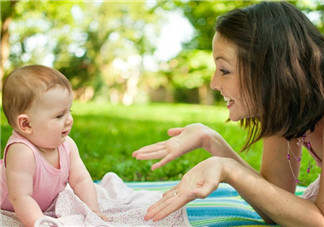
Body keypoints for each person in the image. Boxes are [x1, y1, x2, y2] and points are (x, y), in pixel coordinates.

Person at [132, 1, 324, 226]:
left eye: (224, 70)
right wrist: (212, 142)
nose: (214, 83)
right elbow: (274, 207)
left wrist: (229, 169)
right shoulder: (285, 108)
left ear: (269, 72)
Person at [0, 65, 109, 227]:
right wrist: (40, 223)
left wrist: (94, 211)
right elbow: (21, 197)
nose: (69, 119)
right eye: (59, 115)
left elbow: (81, 179)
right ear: (26, 124)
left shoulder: (67, 145)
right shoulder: (22, 152)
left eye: (69, 110)